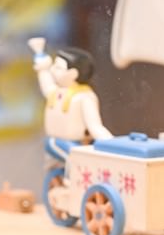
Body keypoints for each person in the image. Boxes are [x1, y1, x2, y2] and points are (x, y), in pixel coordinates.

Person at [28, 37, 113, 165]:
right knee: (72, 161)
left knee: (80, 162)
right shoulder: (56, 92)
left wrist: (112, 144)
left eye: (58, 68)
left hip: (76, 146)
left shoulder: (84, 97)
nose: (53, 70)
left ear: (73, 73)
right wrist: (43, 66)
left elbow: (95, 126)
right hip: (55, 143)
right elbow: (46, 83)